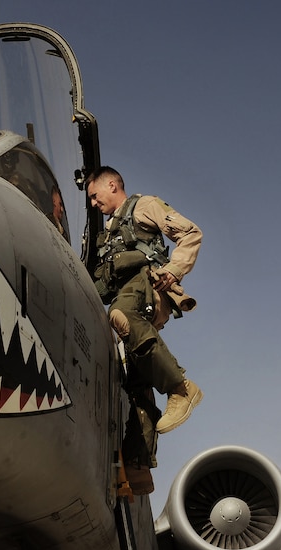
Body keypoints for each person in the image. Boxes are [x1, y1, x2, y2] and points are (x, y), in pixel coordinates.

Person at [87, 166, 203, 493]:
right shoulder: (107, 235)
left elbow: (191, 233)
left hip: (148, 289)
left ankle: (181, 388)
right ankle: (137, 468)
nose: (94, 204)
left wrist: (174, 269)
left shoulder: (144, 206)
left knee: (120, 315)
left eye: (95, 196)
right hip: (127, 296)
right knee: (136, 382)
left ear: (112, 184)